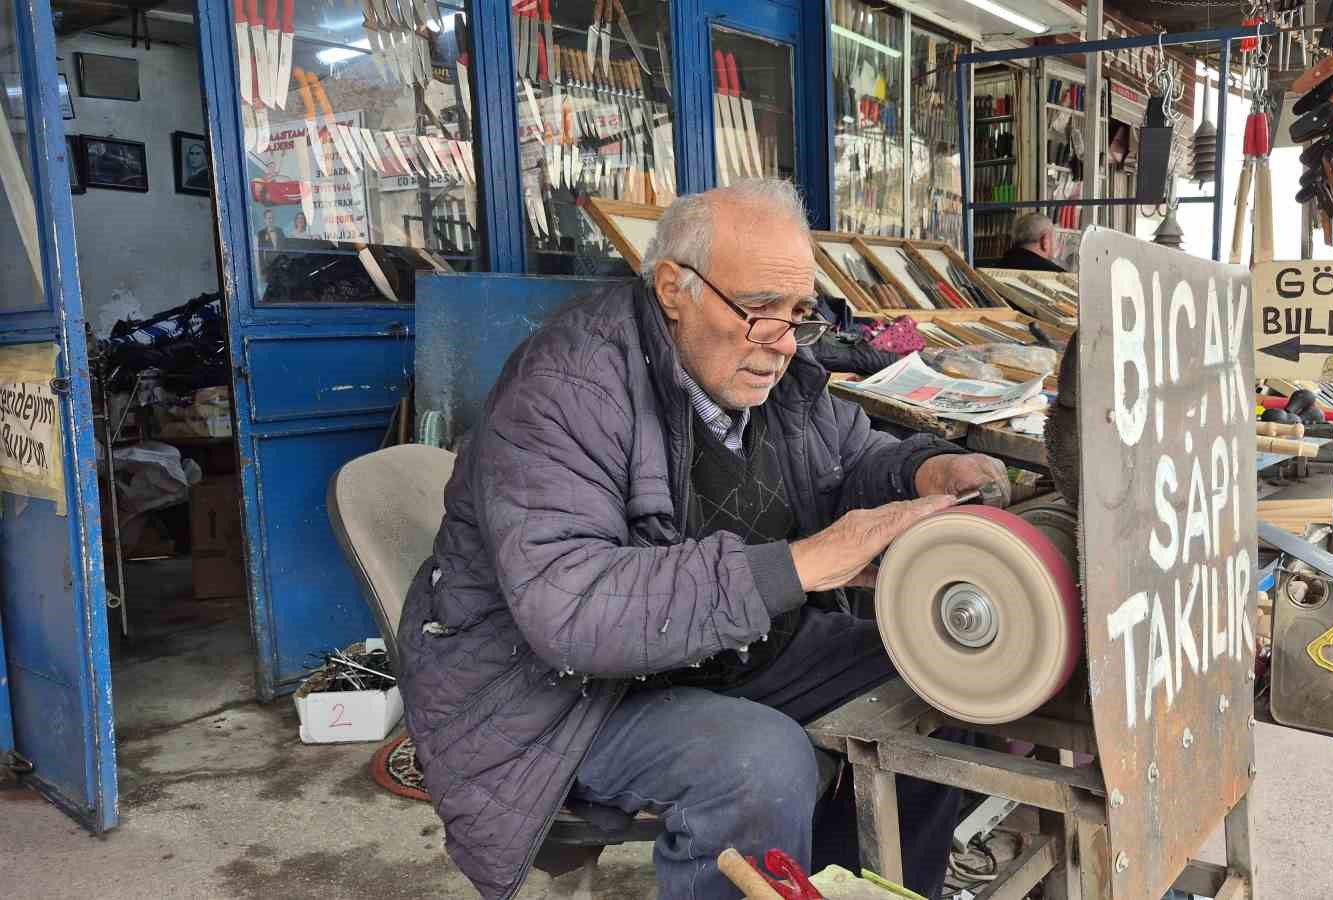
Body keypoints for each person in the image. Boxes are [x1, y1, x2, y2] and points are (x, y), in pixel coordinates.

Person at [397, 179, 1010, 900]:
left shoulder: (771, 369)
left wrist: (923, 467)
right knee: (757, 764)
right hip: (564, 688)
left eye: (798, 314)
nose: (782, 344)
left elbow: (849, 458)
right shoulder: (565, 388)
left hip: (720, 648)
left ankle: (849, 887)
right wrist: (804, 563)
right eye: (757, 312)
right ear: (672, 290)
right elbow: (572, 611)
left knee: (937, 675)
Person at [997, 211, 1067, 271]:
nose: (1059, 245)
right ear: (1045, 241)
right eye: (1056, 238)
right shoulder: (1057, 275)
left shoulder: (995, 268)